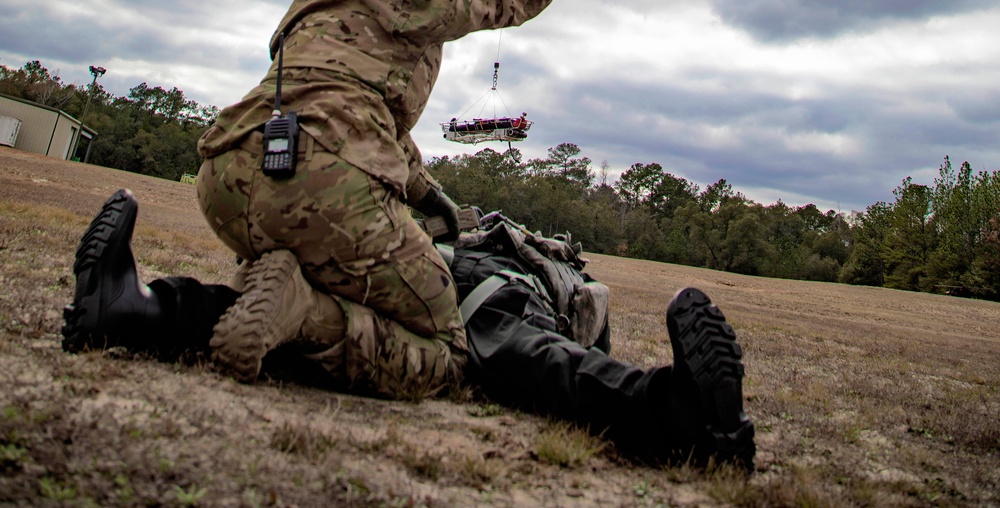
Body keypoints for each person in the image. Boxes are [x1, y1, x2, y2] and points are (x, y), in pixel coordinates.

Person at [63, 0, 578, 402]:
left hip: (228, 174)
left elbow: (340, 108)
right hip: (327, 189)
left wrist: (429, 196)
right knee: (445, 350)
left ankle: (135, 311)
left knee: (278, 290)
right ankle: (304, 313)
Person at [60, 193, 754, 470]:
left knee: (521, 351)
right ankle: (135, 310)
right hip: (407, 281)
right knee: (290, 311)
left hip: (484, 303)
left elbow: (578, 341)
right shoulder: (462, 228)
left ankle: (683, 419)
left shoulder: (554, 274)